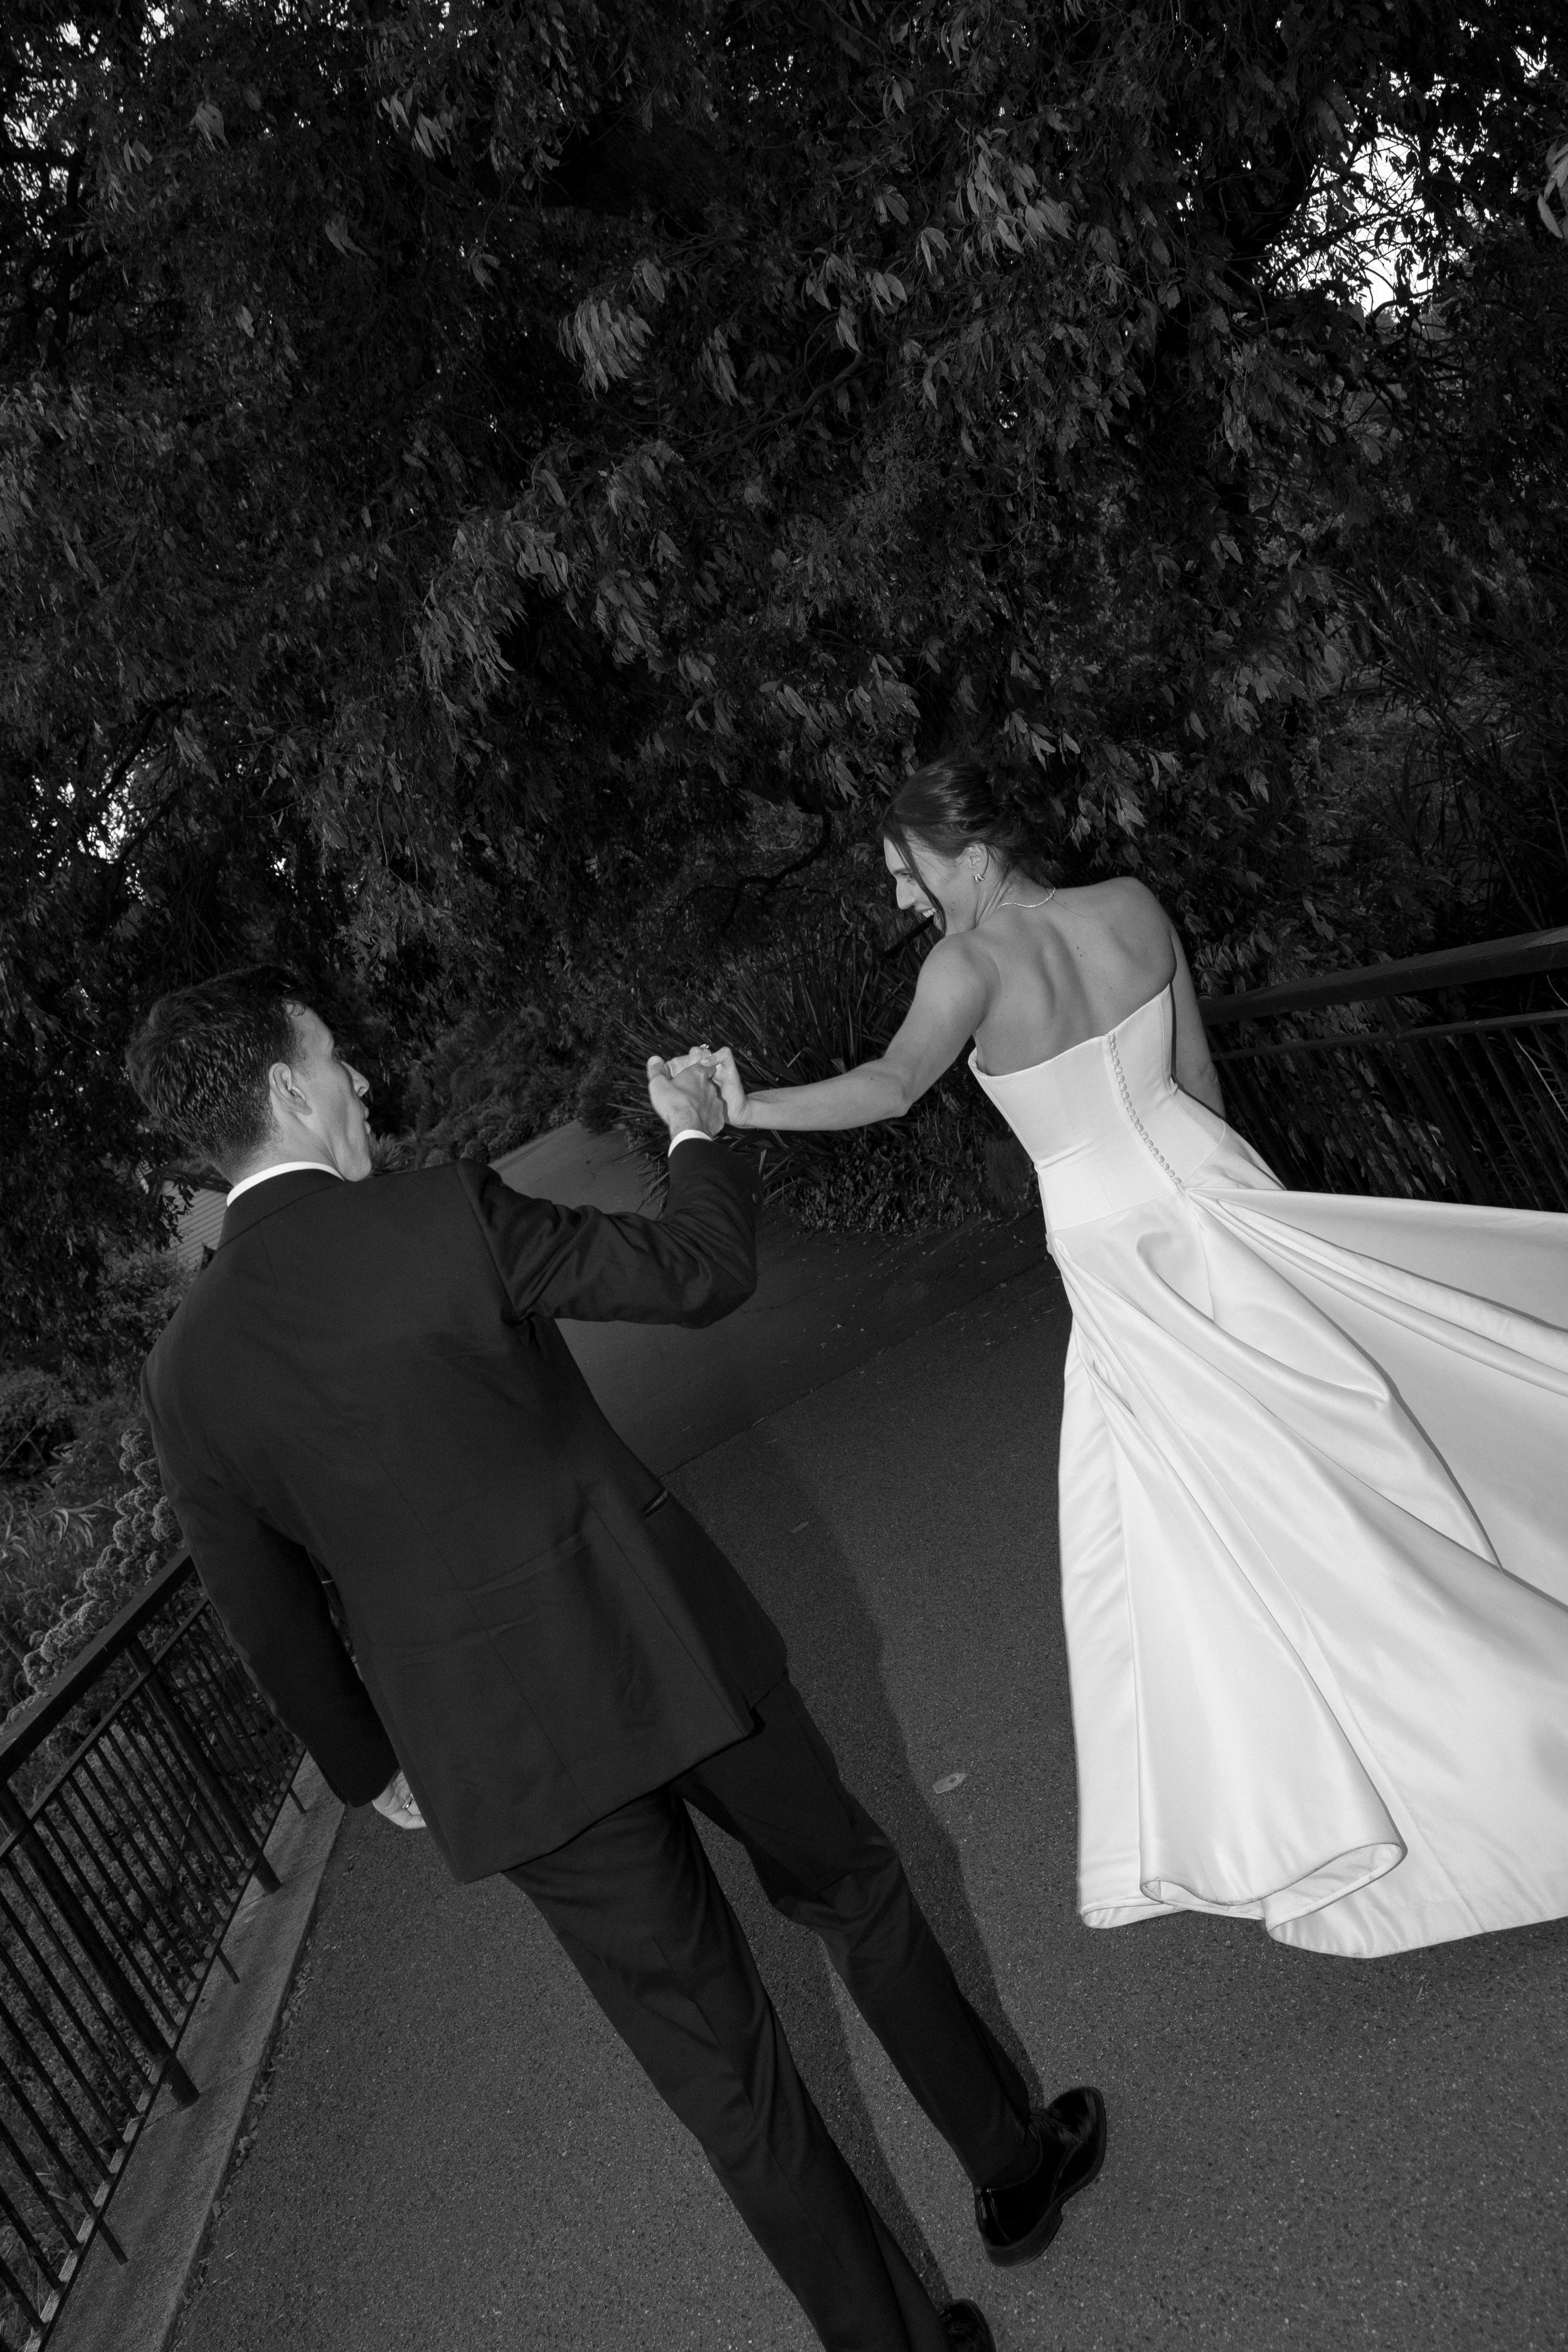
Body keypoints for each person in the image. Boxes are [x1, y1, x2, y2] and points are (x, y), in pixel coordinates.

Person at [125, 963, 1107, 2352]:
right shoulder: (441, 1210)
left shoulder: (184, 1376)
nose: (360, 1078)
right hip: (668, 1644)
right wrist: (696, 1133)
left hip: (504, 1755)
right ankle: (1011, 2165)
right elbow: (699, 1273)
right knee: (851, 1887)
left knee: (727, 2080)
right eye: (336, 1056)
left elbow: (260, 1605)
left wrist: (368, 1764)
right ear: (288, 1089)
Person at [701, 751, 1568, 1962]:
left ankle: (1422, 1763)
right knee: (1355, 1448)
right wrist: (1249, 1212)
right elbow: (1199, 1079)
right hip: (1218, 1196)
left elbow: (894, 1087)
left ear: (971, 855)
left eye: (908, 872)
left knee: (1241, 1524)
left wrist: (741, 1109)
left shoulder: (967, 964)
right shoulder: (1132, 904)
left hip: (1121, 1256)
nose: (902, 899)